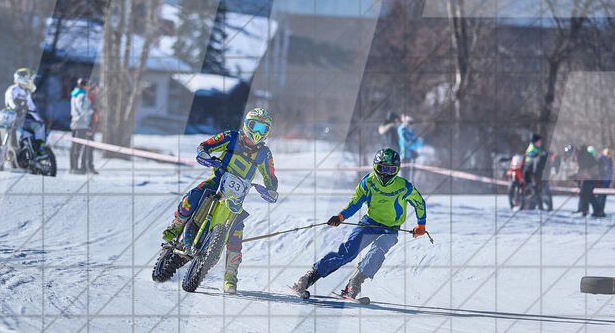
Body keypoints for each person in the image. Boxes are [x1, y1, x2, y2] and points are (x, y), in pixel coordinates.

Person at [155, 108, 278, 293]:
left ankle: (230, 277)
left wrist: (271, 190)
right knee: (193, 196)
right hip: (217, 181)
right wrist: (205, 154)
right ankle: (176, 226)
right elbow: (206, 144)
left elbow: (271, 176)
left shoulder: (264, 154)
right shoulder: (231, 137)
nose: (258, 132)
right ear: (247, 124)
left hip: (237, 197)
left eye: (264, 128)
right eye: (255, 126)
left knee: (236, 233)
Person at [290, 148, 427, 300]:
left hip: (391, 229)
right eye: (382, 168)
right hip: (368, 223)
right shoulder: (368, 182)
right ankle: (309, 277)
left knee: (379, 250)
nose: (386, 174)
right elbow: (355, 203)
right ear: (375, 167)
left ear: (397, 170)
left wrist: (421, 225)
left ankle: (354, 283)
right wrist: (341, 216)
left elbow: (419, 203)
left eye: (390, 169)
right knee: (348, 253)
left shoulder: (404, 186)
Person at [5, 67, 47, 158]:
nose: (31, 81)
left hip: (22, 120)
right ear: (23, 79)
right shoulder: (13, 89)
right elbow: (10, 100)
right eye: (30, 78)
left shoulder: (27, 92)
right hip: (11, 119)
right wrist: (16, 108)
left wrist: (39, 119)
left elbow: (32, 106)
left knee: (39, 126)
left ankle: (39, 148)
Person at [565, 144, 603, 217]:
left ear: (574, 151)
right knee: (587, 194)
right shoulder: (582, 154)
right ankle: (590, 210)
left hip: (591, 177)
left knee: (586, 193)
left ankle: (590, 211)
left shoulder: (581, 155)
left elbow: (583, 169)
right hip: (590, 177)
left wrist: (575, 177)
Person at [69, 78, 93, 174]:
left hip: (75, 122)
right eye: (88, 85)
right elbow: (82, 109)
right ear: (83, 86)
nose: (89, 87)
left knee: (75, 146)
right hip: (81, 123)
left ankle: (73, 167)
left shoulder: (75, 94)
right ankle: (75, 168)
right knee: (78, 147)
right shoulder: (82, 95)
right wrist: (90, 111)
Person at [523, 133, 548, 210]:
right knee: (536, 188)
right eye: (539, 141)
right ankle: (532, 206)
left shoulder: (537, 148)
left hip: (535, 170)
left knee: (538, 188)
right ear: (535, 141)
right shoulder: (532, 148)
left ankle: (537, 205)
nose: (540, 142)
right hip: (529, 171)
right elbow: (531, 155)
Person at [397, 115, 423, 182]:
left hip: (411, 156)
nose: (412, 125)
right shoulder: (402, 131)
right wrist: (414, 144)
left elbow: (419, 143)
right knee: (404, 176)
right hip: (404, 156)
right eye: (410, 123)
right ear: (406, 123)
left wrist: (414, 144)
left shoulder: (410, 132)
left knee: (410, 177)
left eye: (412, 123)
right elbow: (408, 144)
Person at [596, 147, 614, 215]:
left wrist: (611, 181)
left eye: (609, 153)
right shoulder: (600, 159)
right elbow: (599, 170)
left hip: (607, 181)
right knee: (599, 197)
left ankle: (601, 210)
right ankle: (597, 210)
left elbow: (611, 171)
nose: (609, 155)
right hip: (601, 181)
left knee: (604, 197)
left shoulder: (610, 160)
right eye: (607, 153)